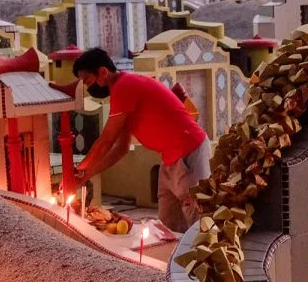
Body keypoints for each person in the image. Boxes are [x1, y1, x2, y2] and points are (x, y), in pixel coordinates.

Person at [73, 48, 210, 233]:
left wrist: (78, 170)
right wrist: (87, 174)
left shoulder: (124, 86)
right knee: (169, 225)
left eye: (89, 81)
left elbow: (106, 140)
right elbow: (121, 148)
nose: (89, 89)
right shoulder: (121, 92)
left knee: (198, 224)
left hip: (189, 151)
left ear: (103, 72)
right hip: (170, 158)